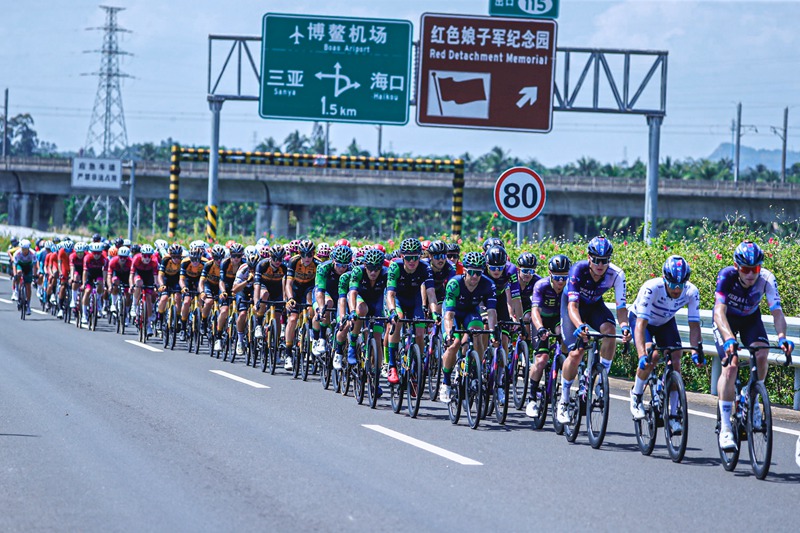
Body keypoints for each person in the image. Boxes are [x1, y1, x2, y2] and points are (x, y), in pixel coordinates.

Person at [712, 241, 793, 451]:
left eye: (755, 269)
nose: (751, 275)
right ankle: (726, 427)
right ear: (737, 267)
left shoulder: (766, 279)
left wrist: (782, 336)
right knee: (731, 366)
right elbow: (718, 311)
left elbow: (777, 311)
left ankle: (751, 396)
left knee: (762, 353)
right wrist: (729, 338)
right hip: (726, 319)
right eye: (746, 270)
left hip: (750, 318)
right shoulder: (726, 276)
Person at [557, 236, 631, 424]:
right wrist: (580, 326)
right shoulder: (577, 270)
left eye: (604, 260)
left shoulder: (616, 274)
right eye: (596, 260)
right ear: (589, 258)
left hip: (595, 306)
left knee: (610, 330)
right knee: (577, 352)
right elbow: (572, 307)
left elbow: (621, 308)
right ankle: (564, 400)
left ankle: (600, 378)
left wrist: (625, 327)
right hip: (573, 307)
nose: (600, 264)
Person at [628, 256, 703, 434]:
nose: (677, 289)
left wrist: (696, 350)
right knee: (651, 356)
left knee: (676, 359)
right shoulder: (651, 288)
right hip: (642, 320)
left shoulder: (692, 291)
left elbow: (694, 325)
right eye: (673, 284)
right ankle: (636, 395)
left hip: (665, 322)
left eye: (681, 285)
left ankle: (674, 414)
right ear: (664, 279)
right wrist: (641, 355)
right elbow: (640, 326)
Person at [439, 251, 499, 402]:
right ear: (464, 271)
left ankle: (475, 371)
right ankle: (445, 383)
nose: (474, 277)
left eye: (478, 273)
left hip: (471, 313)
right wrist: (449, 333)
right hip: (453, 313)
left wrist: (493, 334)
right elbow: (449, 316)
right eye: (471, 272)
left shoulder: (488, 284)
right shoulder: (455, 283)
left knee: (478, 332)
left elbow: (491, 312)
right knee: (454, 344)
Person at [385, 238, 438, 385]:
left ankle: (417, 365)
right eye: (408, 258)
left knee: (420, 333)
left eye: (415, 257)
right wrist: (392, 311)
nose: (412, 261)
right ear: (402, 256)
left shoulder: (425, 267)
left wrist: (434, 313)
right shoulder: (395, 266)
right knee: (398, 319)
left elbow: (431, 294)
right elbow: (390, 294)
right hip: (398, 300)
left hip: (414, 301)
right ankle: (392, 365)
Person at [526, 254, 567, 418]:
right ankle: (531, 399)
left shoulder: (570, 287)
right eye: (557, 277)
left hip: (558, 321)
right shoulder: (541, 285)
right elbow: (534, 311)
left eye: (564, 277)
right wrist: (540, 328)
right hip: (541, 321)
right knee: (542, 359)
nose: (560, 282)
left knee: (564, 340)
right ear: (550, 274)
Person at [347, 248, 387, 370]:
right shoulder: (358, 271)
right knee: (361, 310)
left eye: (376, 268)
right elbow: (352, 293)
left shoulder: (386, 273)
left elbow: (391, 294)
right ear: (365, 265)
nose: (373, 272)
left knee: (377, 339)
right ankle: (352, 345)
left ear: (381, 267)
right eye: (370, 268)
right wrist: (353, 311)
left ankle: (376, 376)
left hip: (376, 302)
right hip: (360, 299)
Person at [284, 239, 318, 370]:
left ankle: (311, 337)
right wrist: (290, 298)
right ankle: (288, 354)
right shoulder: (293, 261)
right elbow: (288, 284)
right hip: (296, 289)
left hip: (309, 288)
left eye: (310, 255)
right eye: (304, 254)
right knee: (292, 319)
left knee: (311, 308)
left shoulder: (317, 263)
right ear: (299, 254)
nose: (307, 258)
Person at [11, 239, 37, 315]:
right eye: (23, 249)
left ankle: (28, 305)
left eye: (26, 249)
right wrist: (15, 275)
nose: (24, 251)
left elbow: (35, 265)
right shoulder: (17, 253)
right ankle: (16, 289)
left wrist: (34, 275)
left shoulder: (33, 253)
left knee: (28, 285)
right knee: (18, 273)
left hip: (28, 266)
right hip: (20, 265)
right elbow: (14, 265)